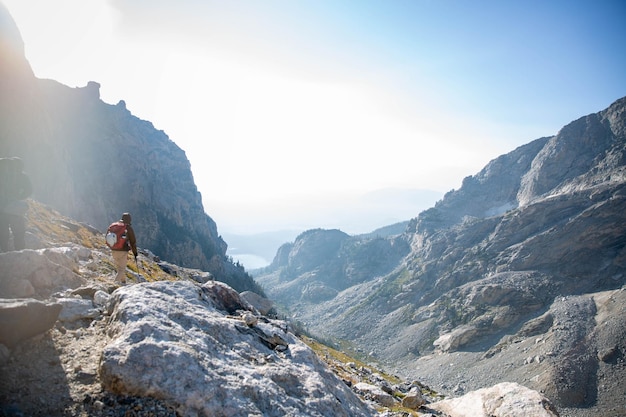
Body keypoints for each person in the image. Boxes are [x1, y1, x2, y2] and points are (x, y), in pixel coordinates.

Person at [0, 157, 33, 251]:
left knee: (2, 232)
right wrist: (18, 197)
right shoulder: (21, 175)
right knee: (19, 233)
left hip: (1, 208)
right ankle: (20, 252)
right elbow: (29, 190)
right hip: (14, 206)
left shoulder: (2, 174)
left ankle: (3, 254)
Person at [110, 212, 138, 284]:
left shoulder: (114, 226)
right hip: (122, 251)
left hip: (113, 249)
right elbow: (133, 242)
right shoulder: (128, 228)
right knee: (121, 269)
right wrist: (135, 253)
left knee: (119, 268)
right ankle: (114, 284)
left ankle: (123, 281)